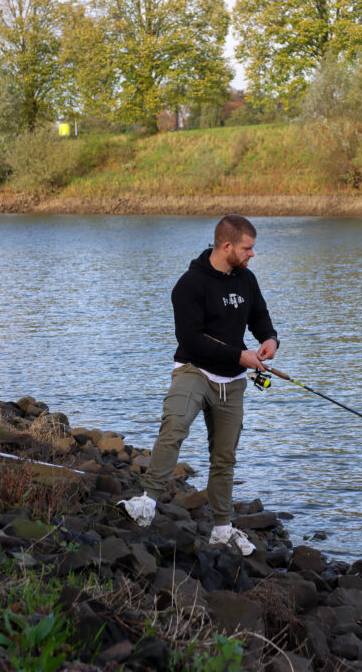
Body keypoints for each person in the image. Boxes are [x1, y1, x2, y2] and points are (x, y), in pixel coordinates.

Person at [119, 214, 279, 555]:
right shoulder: (190, 284)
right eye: (247, 248)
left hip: (232, 383)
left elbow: (260, 316)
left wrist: (269, 340)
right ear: (226, 246)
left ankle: (222, 528)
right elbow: (190, 340)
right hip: (195, 371)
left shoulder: (246, 281)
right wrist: (240, 355)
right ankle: (145, 502)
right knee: (175, 424)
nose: (252, 255)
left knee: (225, 457)